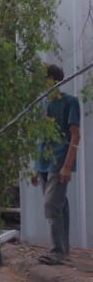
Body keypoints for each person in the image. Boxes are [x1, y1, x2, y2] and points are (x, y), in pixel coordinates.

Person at [41, 63, 81, 265]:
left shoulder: (70, 102)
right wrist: (35, 167)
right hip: (43, 163)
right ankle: (64, 249)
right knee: (60, 204)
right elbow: (41, 136)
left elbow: (75, 135)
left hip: (59, 161)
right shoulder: (42, 103)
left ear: (53, 79)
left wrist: (67, 166)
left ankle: (57, 251)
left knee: (51, 205)